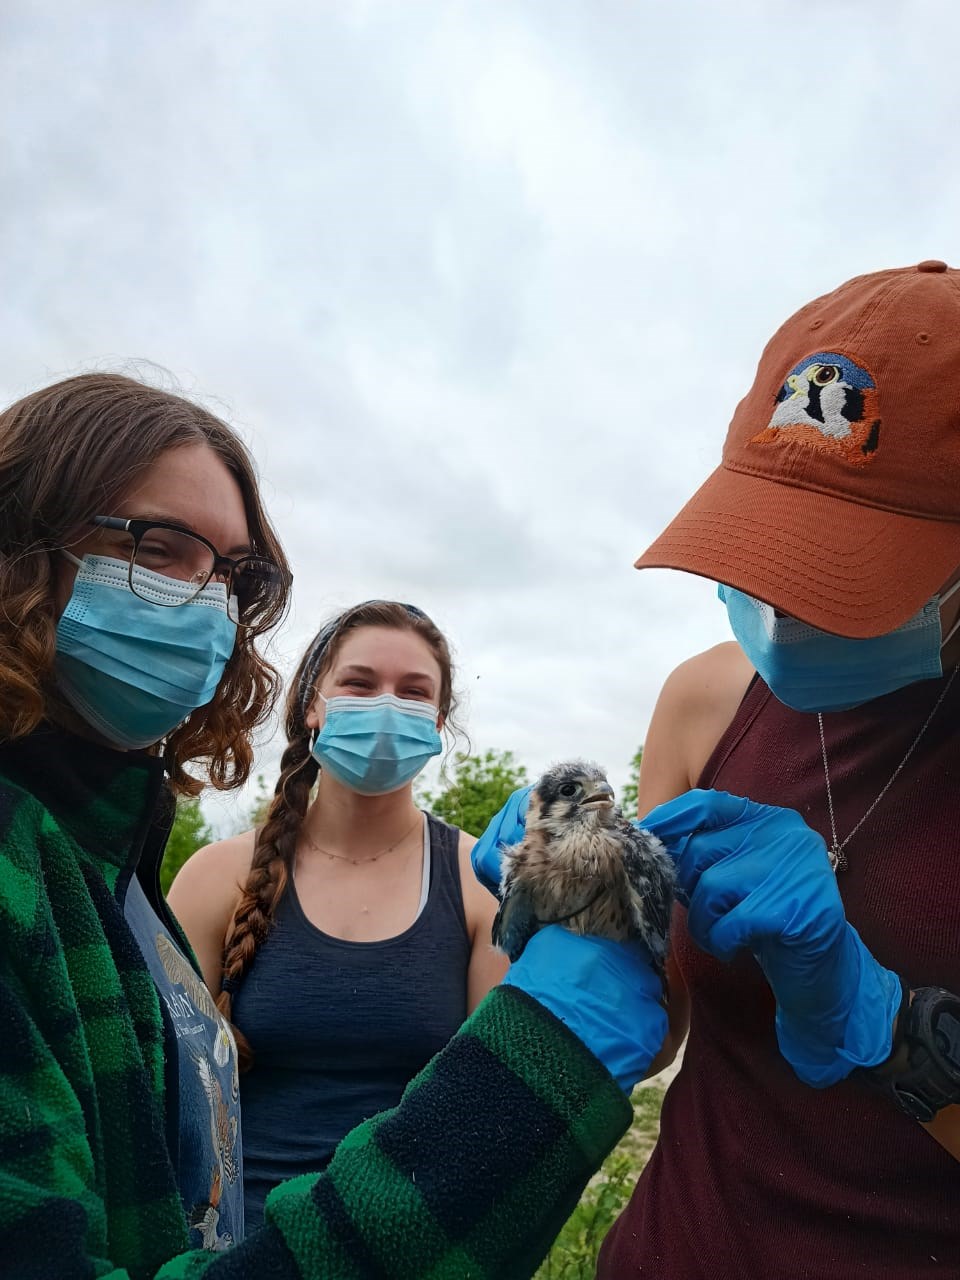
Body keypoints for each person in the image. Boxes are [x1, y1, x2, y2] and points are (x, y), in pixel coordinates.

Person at [0, 371, 670, 1280]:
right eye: (161, 547)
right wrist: (551, 1060)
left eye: (231, 576)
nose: (205, 605)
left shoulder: (98, 859)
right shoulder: (175, 875)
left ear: (443, 724)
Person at [592, 261, 960, 1276]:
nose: (783, 613)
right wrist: (584, 926)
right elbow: (658, 1022)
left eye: (845, 568)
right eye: (770, 550)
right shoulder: (706, 703)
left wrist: (876, 1017)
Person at [168, 600, 507, 1229]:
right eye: (359, 683)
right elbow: (168, 1093)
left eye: (414, 692)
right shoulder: (216, 878)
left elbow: (486, 1103)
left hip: (410, 1243)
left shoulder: (481, 881)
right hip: (236, 1248)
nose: (386, 705)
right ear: (311, 706)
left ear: (437, 721)